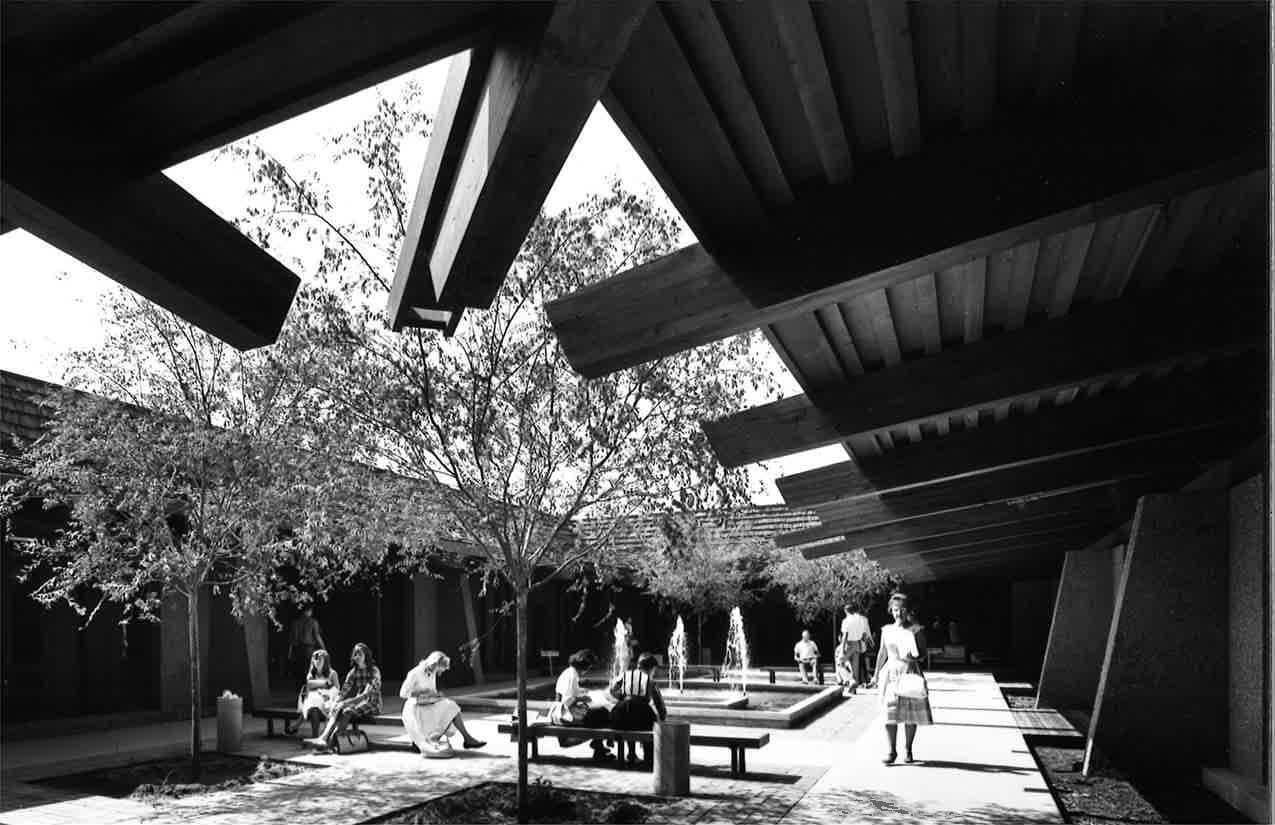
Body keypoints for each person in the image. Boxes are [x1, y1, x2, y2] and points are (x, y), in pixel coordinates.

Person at [871, 593, 933, 764]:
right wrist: (876, 674)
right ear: (891, 610)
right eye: (896, 610)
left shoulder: (916, 629)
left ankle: (908, 749)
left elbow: (923, 654)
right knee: (889, 714)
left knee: (910, 715)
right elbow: (882, 653)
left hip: (909, 673)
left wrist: (912, 657)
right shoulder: (886, 630)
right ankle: (891, 751)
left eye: (902, 610)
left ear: (907, 611)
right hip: (890, 675)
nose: (899, 613)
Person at [399, 651, 486, 758]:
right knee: (447, 706)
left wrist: (437, 695)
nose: (442, 672)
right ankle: (444, 739)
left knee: (451, 706)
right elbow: (403, 693)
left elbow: (432, 691)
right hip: (415, 707)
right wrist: (423, 693)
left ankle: (467, 738)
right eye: (442, 668)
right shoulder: (415, 673)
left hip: (427, 703)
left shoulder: (432, 673)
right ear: (435, 664)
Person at [304, 642, 381, 751]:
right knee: (339, 708)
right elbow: (344, 691)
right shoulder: (353, 672)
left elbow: (366, 695)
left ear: (366, 656)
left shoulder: (374, 671)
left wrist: (347, 702)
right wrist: (336, 702)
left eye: (360, 654)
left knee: (347, 711)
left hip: (372, 703)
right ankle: (324, 738)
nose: (357, 657)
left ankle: (330, 742)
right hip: (358, 703)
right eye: (355, 654)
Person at [548, 649, 614, 761]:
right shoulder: (572, 675)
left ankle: (599, 746)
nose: (588, 670)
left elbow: (571, 692)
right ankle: (599, 746)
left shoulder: (569, 672)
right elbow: (567, 700)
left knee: (599, 711)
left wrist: (584, 692)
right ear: (585, 666)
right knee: (602, 713)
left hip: (561, 711)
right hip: (563, 714)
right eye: (589, 667)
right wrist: (582, 698)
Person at [608, 652, 668, 766]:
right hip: (641, 712)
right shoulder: (649, 680)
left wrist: (622, 698)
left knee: (630, 721)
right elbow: (659, 703)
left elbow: (612, 690)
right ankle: (649, 758)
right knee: (649, 724)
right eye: (654, 670)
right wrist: (662, 718)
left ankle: (631, 755)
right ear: (651, 669)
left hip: (620, 714)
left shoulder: (625, 674)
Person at [288, 649, 340, 737]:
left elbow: (337, 689)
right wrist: (324, 685)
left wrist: (326, 691)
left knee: (315, 702)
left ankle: (297, 724)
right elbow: (309, 691)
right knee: (314, 707)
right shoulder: (311, 674)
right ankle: (315, 737)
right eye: (315, 659)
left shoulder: (332, 673)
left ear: (325, 661)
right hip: (313, 702)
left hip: (328, 701)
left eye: (320, 659)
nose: (317, 661)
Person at [839, 602, 873, 693]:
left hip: (849, 644)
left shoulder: (846, 621)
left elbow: (845, 635)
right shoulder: (861, 620)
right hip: (858, 644)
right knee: (855, 669)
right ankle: (853, 690)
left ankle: (851, 681)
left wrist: (842, 650)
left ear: (846, 611)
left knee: (840, 663)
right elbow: (864, 634)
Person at [287, 605, 327, 681]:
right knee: (310, 668)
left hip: (298, 648)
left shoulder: (295, 622)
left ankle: (301, 687)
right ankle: (308, 686)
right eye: (311, 611)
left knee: (299, 669)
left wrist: (290, 652)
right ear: (307, 611)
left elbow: (292, 640)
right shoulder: (313, 622)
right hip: (309, 649)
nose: (311, 613)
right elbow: (317, 636)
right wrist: (323, 648)